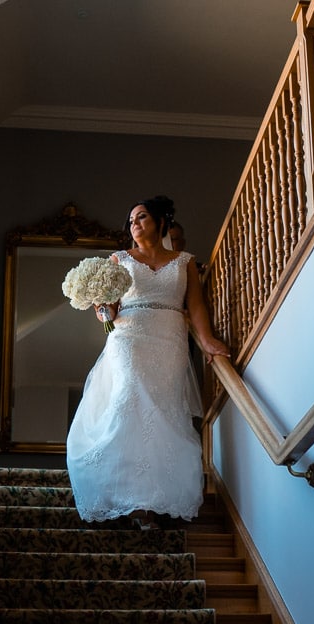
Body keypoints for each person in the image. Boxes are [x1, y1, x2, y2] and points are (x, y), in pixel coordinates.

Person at [66, 195, 230, 525]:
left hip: (170, 338)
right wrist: (102, 308)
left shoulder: (184, 261)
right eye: (130, 221)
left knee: (163, 409)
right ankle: (128, 498)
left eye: (141, 217)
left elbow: (195, 307)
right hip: (128, 336)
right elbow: (107, 312)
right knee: (128, 397)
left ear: (160, 222)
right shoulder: (118, 259)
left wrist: (209, 340)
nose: (134, 224)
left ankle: (155, 498)